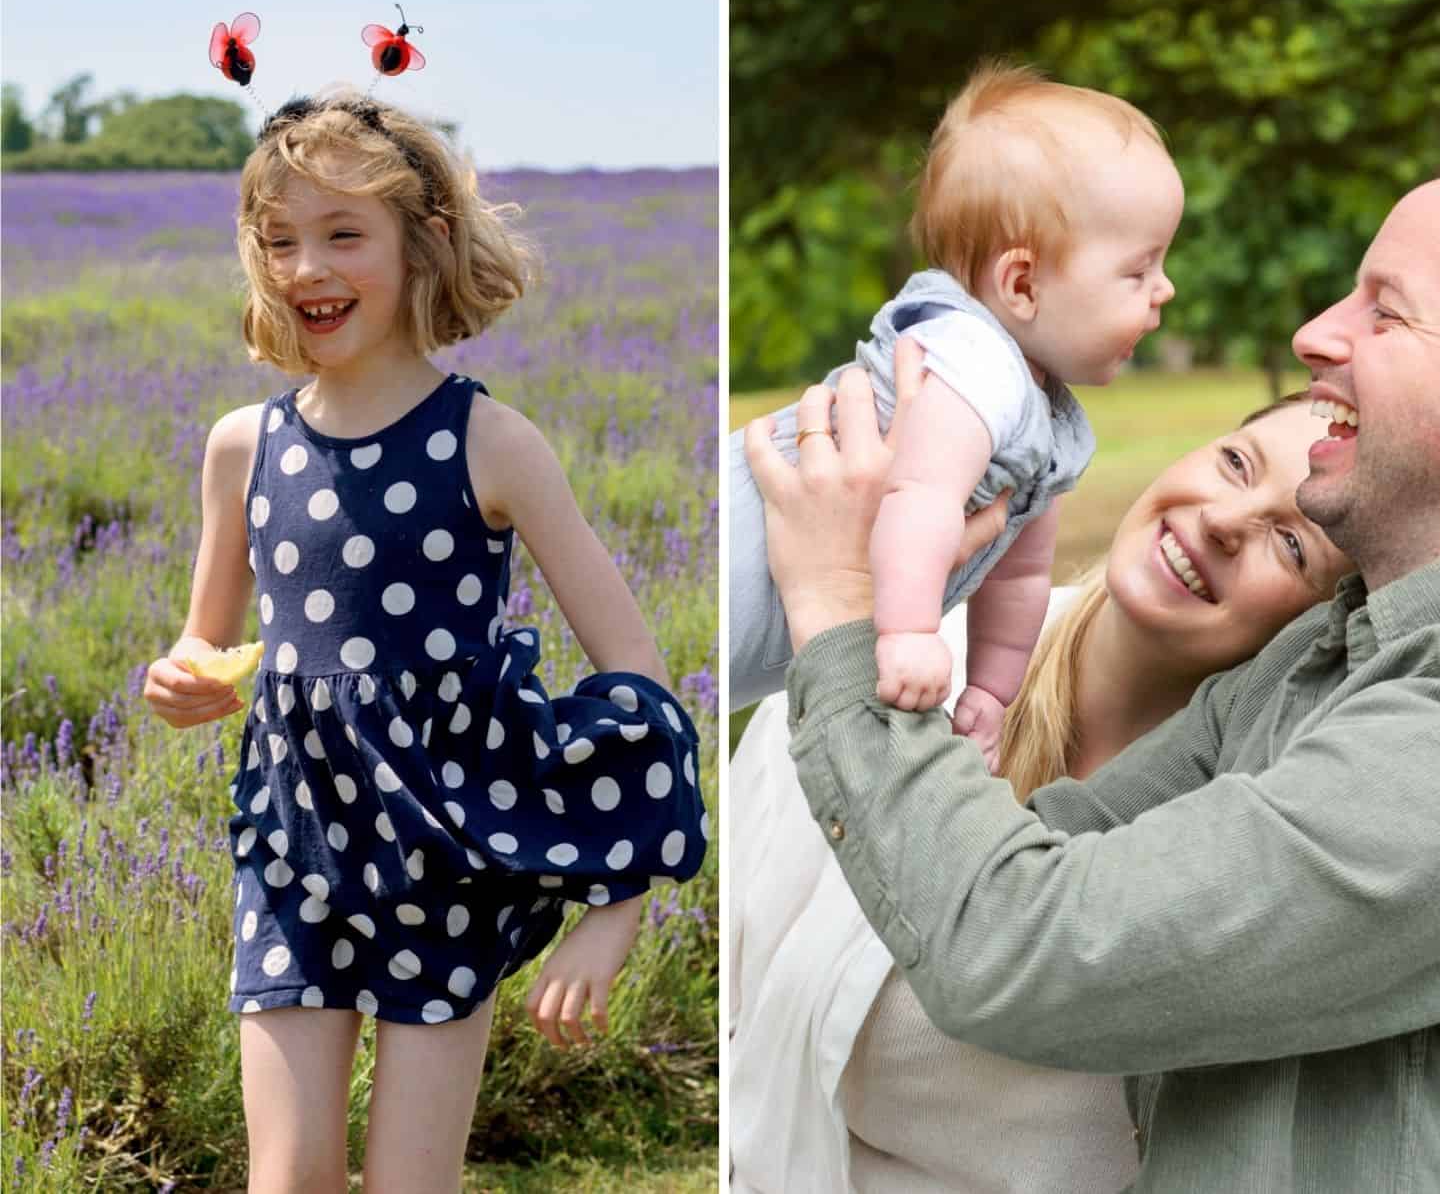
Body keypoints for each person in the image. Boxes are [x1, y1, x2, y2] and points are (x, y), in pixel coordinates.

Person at [745, 132, 1440, 1190]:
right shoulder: (1331, 653)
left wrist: (840, 608)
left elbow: (1025, 949)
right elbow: (1040, 850)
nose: (1316, 335)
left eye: (1384, 312)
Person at [139, 91, 710, 1192]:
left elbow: (638, 677)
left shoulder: (490, 443)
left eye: (343, 234)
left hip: (447, 856)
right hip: (294, 850)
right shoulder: (242, 449)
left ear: (424, 242)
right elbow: (204, 646)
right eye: (280, 240)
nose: (308, 267)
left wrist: (619, 902)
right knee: (288, 1177)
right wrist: (180, 683)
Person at [724, 341, 1351, 1190]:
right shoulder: (907, 650)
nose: (1223, 520)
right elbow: (735, 992)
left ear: (1320, 628)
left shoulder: (1234, 852)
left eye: (1293, 544)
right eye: (1237, 463)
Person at [722, 62, 1182, 751]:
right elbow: (919, 498)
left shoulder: (1046, 426)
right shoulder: (976, 362)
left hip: (795, 597)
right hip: (747, 548)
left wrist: (992, 690)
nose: (1164, 289)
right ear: (1021, 284)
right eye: (1139, 270)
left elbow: (1020, 572)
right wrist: (909, 634)